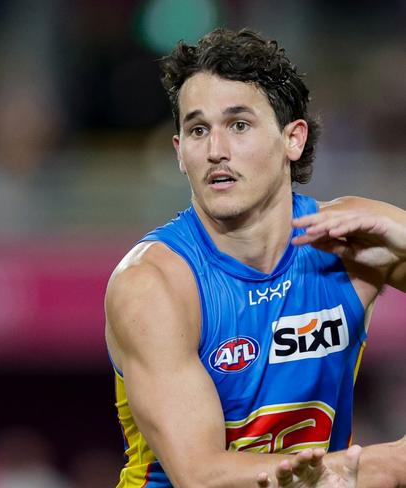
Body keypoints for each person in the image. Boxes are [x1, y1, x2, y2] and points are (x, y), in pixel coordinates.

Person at [104, 28, 406, 488]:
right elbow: (201, 475)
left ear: (293, 139)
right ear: (179, 153)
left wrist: (402, 227)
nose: (215, 151)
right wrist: (374, 468)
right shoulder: (152, 283)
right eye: (198, 129)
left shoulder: (348, 247)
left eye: (239, 125)